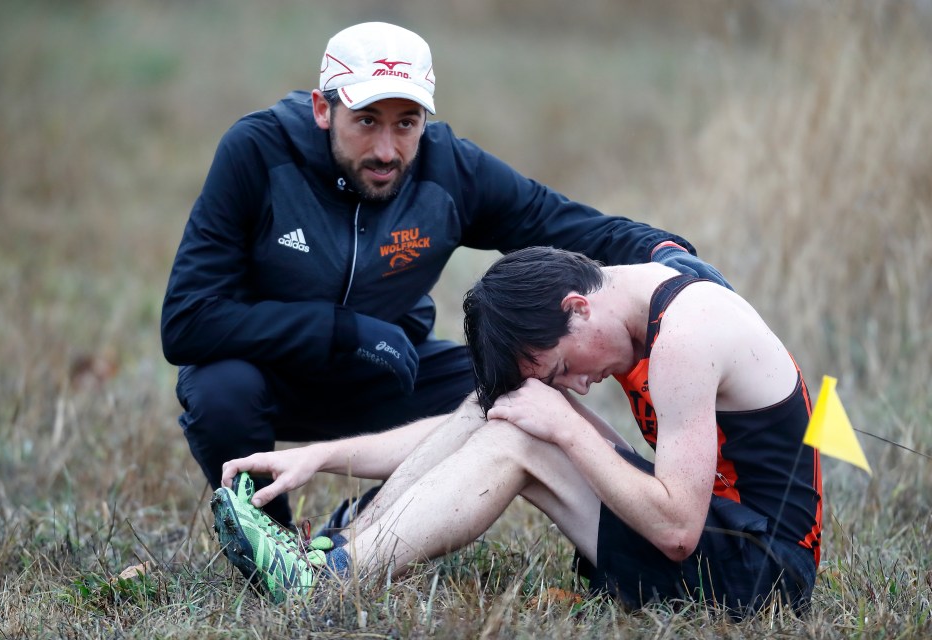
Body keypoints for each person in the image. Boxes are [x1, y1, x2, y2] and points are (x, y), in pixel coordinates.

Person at [161, 20, 724, 528]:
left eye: (406, 123)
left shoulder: (448, 167)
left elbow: (557, 221)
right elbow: (186, 322)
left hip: (387, 376)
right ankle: (271, 539)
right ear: (321, 108)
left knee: (509, 388)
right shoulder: (257, 152)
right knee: (218, 389)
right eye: (366, 121)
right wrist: (343, 330)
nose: (387, 149)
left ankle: (359, 530)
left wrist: (666, 253)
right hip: (269, 378)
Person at [211, 247, 821, 616]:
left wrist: (566, 428)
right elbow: (488, 409)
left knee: (524, 435)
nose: (578, 386)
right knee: (502, 407)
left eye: (562, 369)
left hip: (764, 575)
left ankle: (325, 582)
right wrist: (322, 456)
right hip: (725, 533)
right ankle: (337, 554)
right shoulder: (627, 302)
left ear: (578, 307)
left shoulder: (685, 336)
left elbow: (678, 531)